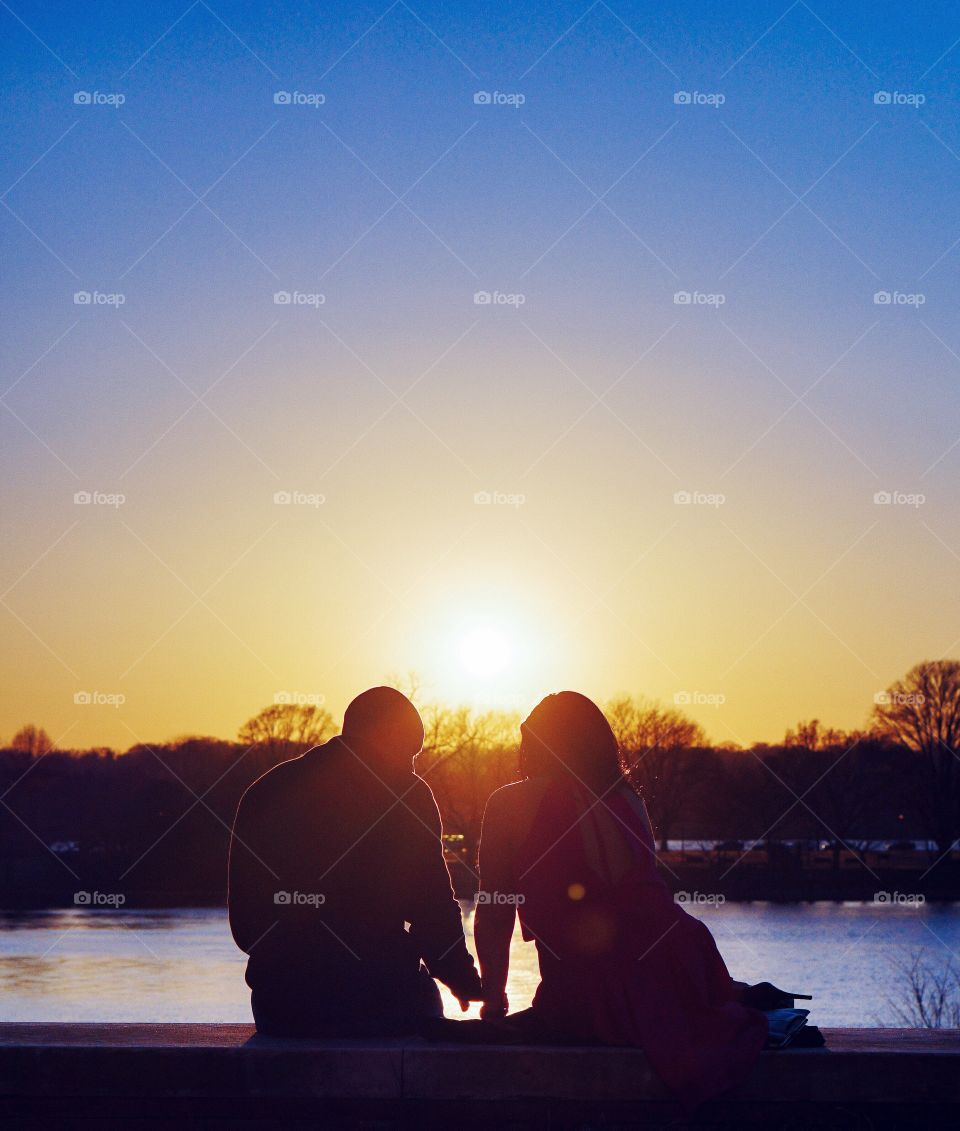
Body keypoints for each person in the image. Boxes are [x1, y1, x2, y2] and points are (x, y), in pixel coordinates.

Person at [475, 691, 780, 1109]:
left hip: (593, 985)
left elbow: (494, 910)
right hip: (685, 957)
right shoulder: (629, 800)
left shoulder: (509, 803)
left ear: (533, 744)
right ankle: (727, 996)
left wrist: (494, 999)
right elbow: (640, 897)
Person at [228, 686, 482, 1035]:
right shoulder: (404, 793)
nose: (412, 765)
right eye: (412, 752)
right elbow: (432, 906)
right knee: (425, 1015)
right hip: (379, 996)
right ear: (391, 734)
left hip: (281, 1004)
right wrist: (461, 978)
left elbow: (245, 924)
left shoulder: (265, 790)